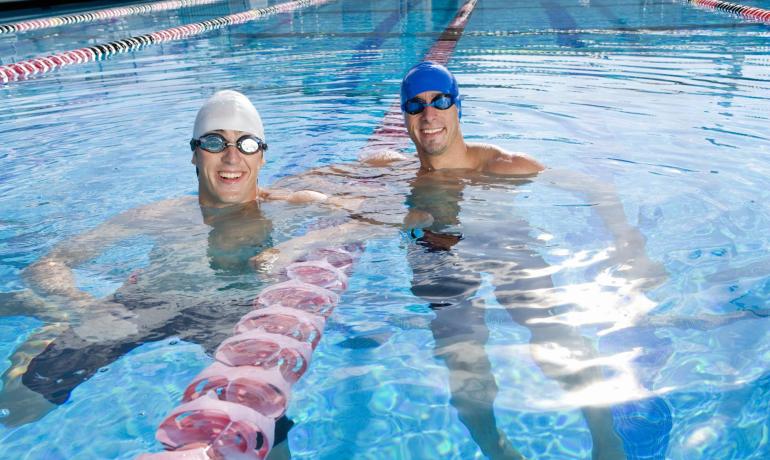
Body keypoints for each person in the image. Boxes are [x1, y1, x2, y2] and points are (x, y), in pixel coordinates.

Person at [0, 90, 342, 457]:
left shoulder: (294, 206)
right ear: (195, 153)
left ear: (261, 155)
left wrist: (290, 249)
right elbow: (50, 262)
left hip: (234, 310)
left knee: (259, 428)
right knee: (21, 406)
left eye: (246, 143)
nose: (231, 157)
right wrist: (77, 302)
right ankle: (44, 315)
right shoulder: (156, 215)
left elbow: (368, 220)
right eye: (215, 142)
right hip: (145, 302)